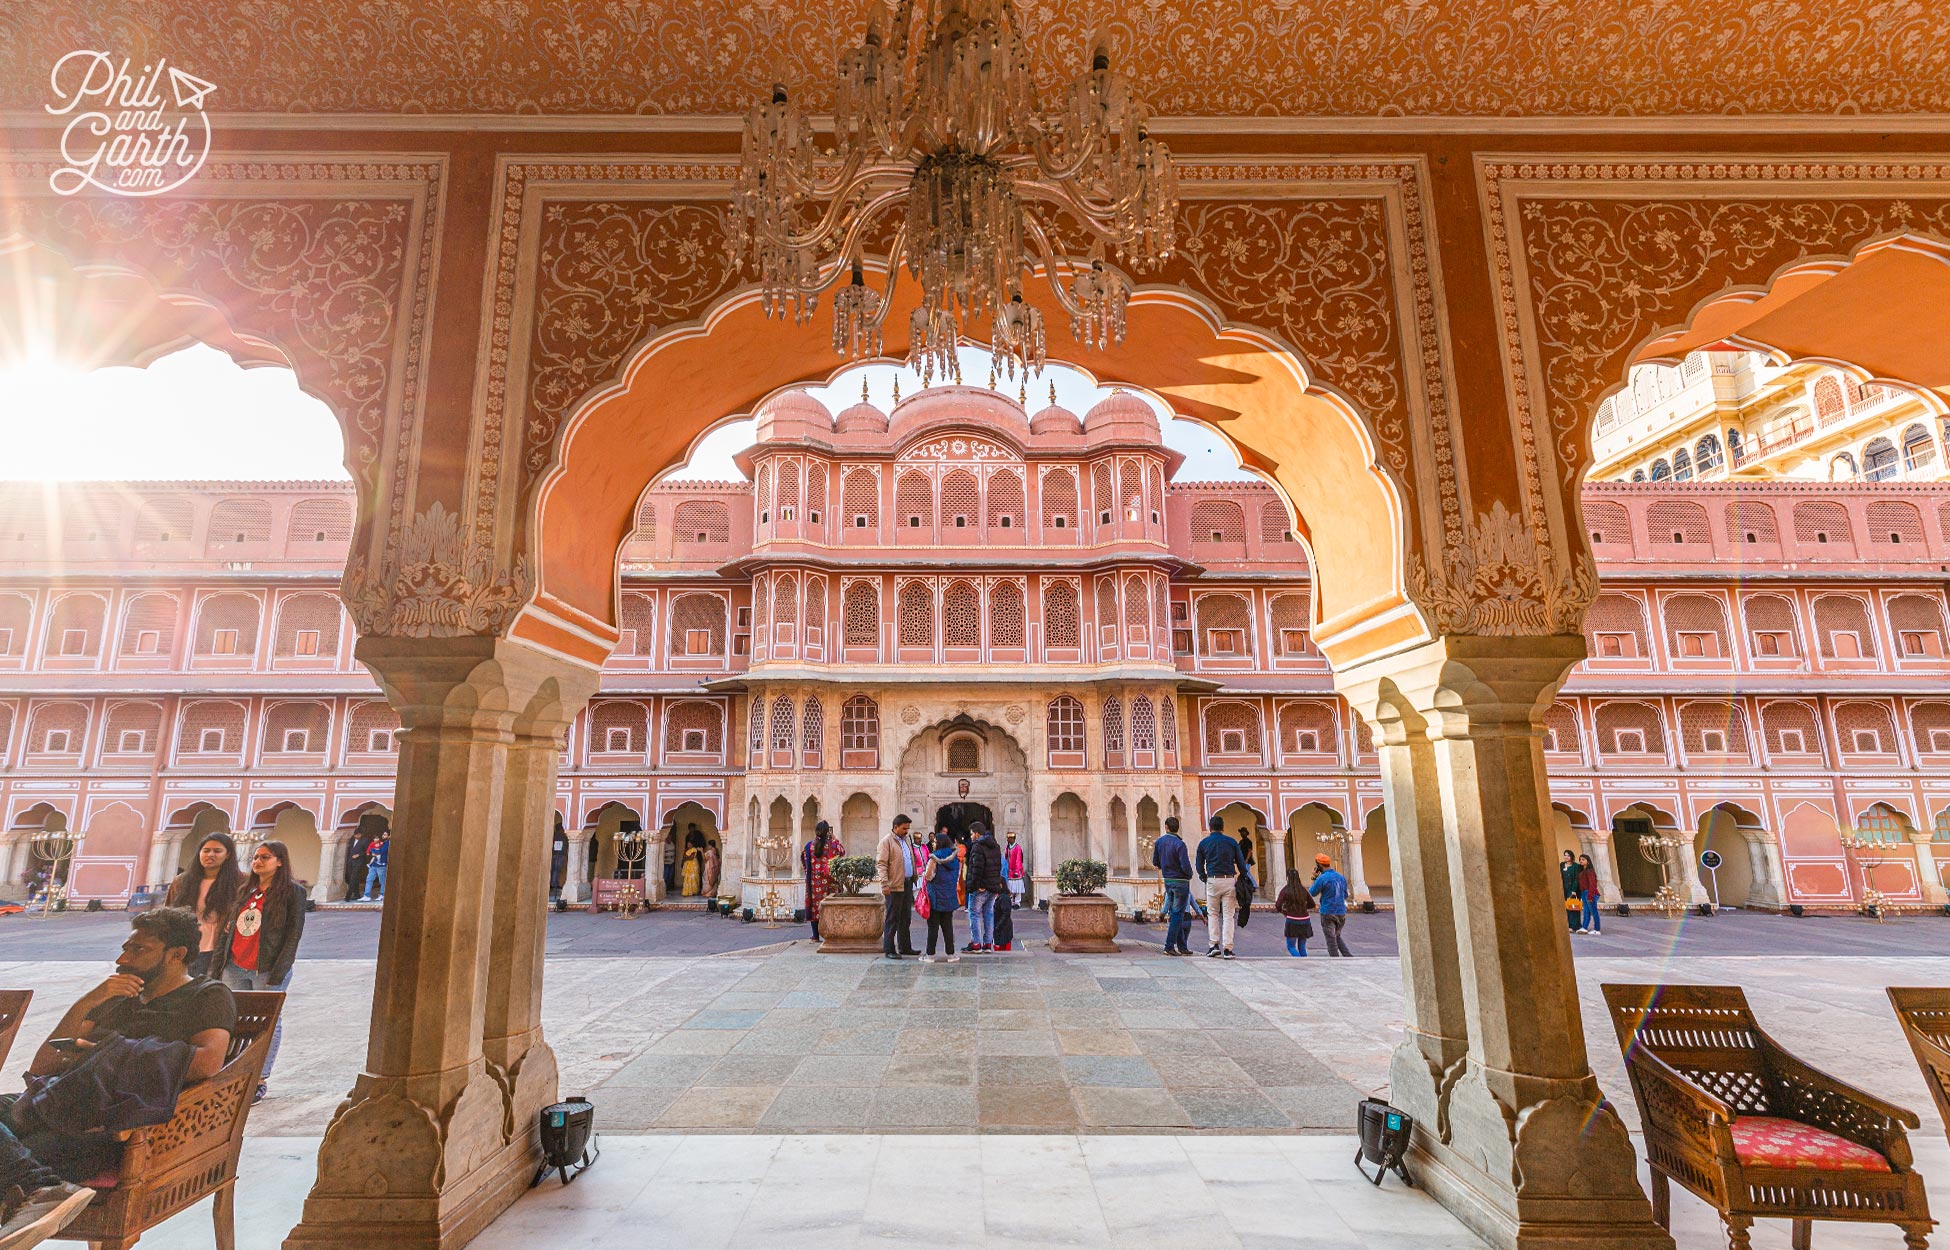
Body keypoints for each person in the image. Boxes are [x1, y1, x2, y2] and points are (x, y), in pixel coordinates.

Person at [0, 907, 236, 1247]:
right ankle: (43, 1186)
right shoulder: (118, 998)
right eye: (127, 946)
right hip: (58, 1102)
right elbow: (44, 1063)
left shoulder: (208, 995)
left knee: (18, 1153)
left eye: (139, 949)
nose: (123, 957)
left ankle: (41, 1186)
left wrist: (109, 1052)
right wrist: (91, 999)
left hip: (116, 1127)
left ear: (177, 955)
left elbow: (207, 1062)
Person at [218, 840, 306, 1101]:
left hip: (266, 969)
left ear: (280, 861)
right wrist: (219, 966)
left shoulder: (292, 893)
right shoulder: (245, 890)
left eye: (265, 857)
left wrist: (280, 970)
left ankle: (259, 1078)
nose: (257, 862)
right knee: (233, 1018)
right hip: (235, 965)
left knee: (268, 1022)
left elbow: (293, 934)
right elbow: (229, 928)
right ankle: (235, 1073)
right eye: (255, 857)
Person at [163, 831, 246, 977]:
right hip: (188, 945)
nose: (210, 855)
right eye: (206, 850)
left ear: (228, 855)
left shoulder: (241, 882)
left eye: (217, 851)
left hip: (222, 947)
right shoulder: (182, 881)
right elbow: (169, 912)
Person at [1195, 814, 1244, 959]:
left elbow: (1198, 865)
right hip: (1229, 879)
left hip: (1213, 880)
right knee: (1229, 915)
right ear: (1223, 828)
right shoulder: (1231, 842)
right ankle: (1228, 948)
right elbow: (1241, 863)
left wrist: (1204, 877)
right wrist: (1243, 876)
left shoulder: (1204, 843)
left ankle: (1213, 945)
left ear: (1210, 828)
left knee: (1213, 913)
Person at [1152, 816, 1194, 956]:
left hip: (1168, 880)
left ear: (1166, 827)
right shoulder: (1179, 844)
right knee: (1177, 914)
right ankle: (1169, 946)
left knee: (1177, 913)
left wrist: (1166, 867)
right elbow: (1185, 865)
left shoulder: (1160, 842)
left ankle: (1182, 946)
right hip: (1180, 881)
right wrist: (1189, 875)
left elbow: (1155, 861)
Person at [877, 815, 916, 960]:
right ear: (896, 827)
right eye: (904, 828)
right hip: (894, 885)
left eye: (908, 828)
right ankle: (889, 948)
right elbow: (881, 864)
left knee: (906, 917)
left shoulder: (905, 840)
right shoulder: (887, 842)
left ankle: (905, 946)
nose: (907, 831)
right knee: (892, 918)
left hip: (906, 883)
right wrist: (884, 883)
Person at [962, 822, 1004, 953]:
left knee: (974, 914)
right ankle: (987, 944)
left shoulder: (977, 846)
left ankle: (976, 943)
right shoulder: (995, 846)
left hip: (981, 887)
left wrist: (976, 885)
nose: (971, 837)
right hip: (992, 886)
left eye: (971, 834)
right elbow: (998, 866)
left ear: (977, 833)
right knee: (988, 914)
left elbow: (977, 868)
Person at [921, 831, 962, 962]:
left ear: (939, 843)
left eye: (934, 842)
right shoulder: (955, 857)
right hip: (949, 895)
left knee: (933, 927)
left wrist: (924, 875)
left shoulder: (934, 857)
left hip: (935, 896)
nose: (933, 843)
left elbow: (929, 876)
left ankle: (930, 955)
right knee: (947, 926)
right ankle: (951, 954)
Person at [801, 820, 843, 940]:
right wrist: (834, 839)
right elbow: (842, 852)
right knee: (831, 908)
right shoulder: (832, 845)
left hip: (815, 884)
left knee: (816, 908)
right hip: (831, 883)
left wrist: (813, 872)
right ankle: (831, 935)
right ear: (827, 832)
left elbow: (804, 860)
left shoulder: (809, 846)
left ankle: (815, 935)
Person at [1309, 853, 1352, 956]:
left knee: (1331, 940)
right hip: (1341, 912)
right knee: (1337, 936)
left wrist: (1314, 878)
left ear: (1319, 866)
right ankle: (1349, 957)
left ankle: (1335, 961)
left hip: (1328, 912)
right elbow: (1345, 894)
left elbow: (1312, 892)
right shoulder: (1340, 877)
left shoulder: (1322, 878)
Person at [1275, 869, 1315, 956]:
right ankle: (1305, 962)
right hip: (1305, 919)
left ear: (1287, 878)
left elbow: (1278, 905)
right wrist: (1303, 907)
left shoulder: (1285, 890)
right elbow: (1312, 904)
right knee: (1302, 947)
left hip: (1292, 920)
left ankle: (1300, 961)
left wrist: (1285, 912)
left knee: (1291, 947)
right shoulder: (1303, 890)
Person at [1577, 853, 1603, 935]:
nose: (1581, 861)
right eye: (1580, 859)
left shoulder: (1590, 871)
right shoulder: (1582, 871)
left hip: (1590, 893)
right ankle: (1584, 927)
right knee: (1586, 912)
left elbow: (1592, 884)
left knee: (1593, 911)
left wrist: (1590, 896)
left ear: (1588, 861)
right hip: (1584, 893)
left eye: (1583, 859)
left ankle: (1597, 929)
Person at [1559, 849, 1583, 934]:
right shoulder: (1562, 865)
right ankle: (1567, 924)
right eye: (1565, 855)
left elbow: (1577, 879)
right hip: (1564, 889)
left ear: (1571, 857)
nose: (1566, 857)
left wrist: (1573, 890)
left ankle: (1574, 926)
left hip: (1573, 889)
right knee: (1566, 907)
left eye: (1568, 855)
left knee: (1573, 907)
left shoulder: (1576, 866)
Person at [360, 831, 389, 901]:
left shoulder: (387, 844)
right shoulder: (380, 843)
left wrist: (372, 850)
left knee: (382, 881)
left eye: (385, 835)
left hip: (381, 865)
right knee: (369, 879)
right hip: (374, 864)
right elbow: (373, 851)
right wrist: (373, 851)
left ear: (389, 836)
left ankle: (382, 894)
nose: (383, 836)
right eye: (383, 834)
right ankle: (366, 895)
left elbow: (380, 851)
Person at [1003, 831, 1026, 908]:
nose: (1007, 839)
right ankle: (1011, 902)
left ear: (1012, 838)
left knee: (1017, 888)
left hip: (1016, 871)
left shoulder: (1017, 848)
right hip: (1009, 870)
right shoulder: (1008, 847)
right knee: (1011, 887)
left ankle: (1017, 902)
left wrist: (1016, 870)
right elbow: (1006, 857)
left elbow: (1018, 860)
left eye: (1008, 838)